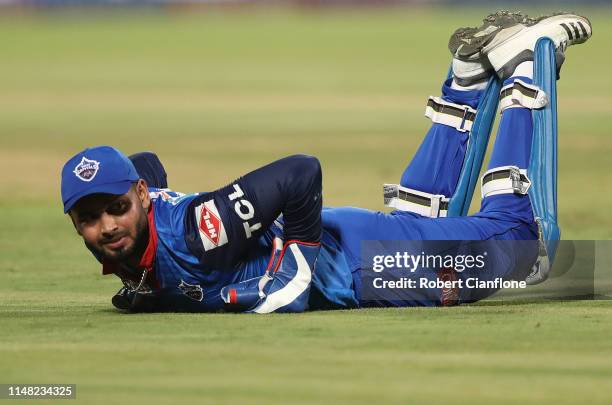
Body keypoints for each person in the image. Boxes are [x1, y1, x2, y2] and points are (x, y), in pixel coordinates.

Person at [60, 11, 591, 313]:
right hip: (354, 244)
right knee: (422, 224)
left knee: (520, 242)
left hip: (367, 270)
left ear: (141, 197)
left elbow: (299, 172)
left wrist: (295, 265)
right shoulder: (145, 217)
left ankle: (526, 62)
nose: (107, 227)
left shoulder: (203, 231)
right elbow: (147, 163)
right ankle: (470, 77)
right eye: (90, 218)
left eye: (117, 208)